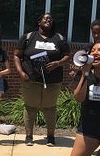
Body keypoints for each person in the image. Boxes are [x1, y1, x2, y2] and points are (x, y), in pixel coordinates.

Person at [13, 13, 70, 147]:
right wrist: (21, 72)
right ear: (39, 22)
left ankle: (50, 137)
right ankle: (29, 136)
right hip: (31, 79)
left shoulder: (59, 38)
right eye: (45, 18)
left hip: (53, 80)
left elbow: (67, 56)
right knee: (30, 107)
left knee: (50, 108)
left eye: (50, 19)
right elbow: (16, 55)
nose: (48, 20)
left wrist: (58, 63)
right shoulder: (28, 37)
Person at [69, 19, 100, 156]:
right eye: (93, 32)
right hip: (89, 80)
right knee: (86, 108)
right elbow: (81, 62)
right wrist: (76, 70)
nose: (96, 35)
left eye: (98, 32)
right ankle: (85, 142)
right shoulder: (87, 47)